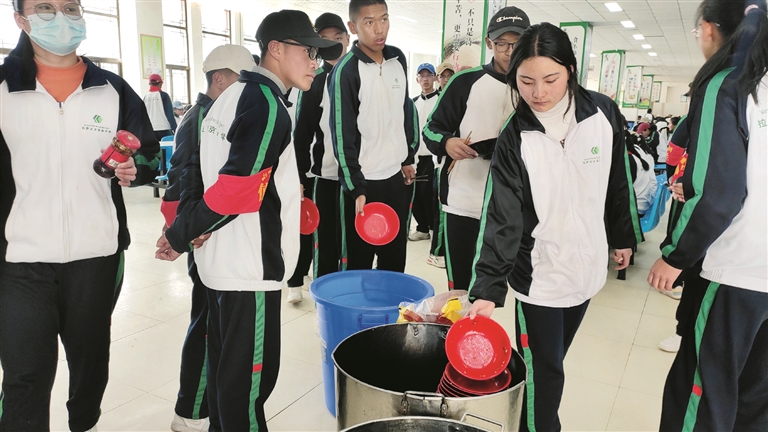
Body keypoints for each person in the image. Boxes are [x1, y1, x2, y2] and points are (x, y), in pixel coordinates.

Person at [155, 10, 341, 431]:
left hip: (221, 266)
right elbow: (236, 191)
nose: (315, 63)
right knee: (248, 390)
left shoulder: (229, 98)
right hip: (250, 271)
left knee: (227, 381)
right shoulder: (268, 106)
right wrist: (182, 233)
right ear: (276, 49)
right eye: (309, 52)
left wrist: (186, 229)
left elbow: (199, 175)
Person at [467, 23, 640, 432]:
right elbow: (502, 215)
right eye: (526, 81)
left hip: (587, 269)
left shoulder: (602, 114)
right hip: (539, 276)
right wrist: (488, 287)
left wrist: (623, 236)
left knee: (553, 362)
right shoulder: (515, 136)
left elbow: (619, 181)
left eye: (550, 79)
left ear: (571, 71)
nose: (538, 93)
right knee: (543, 375)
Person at [0, 1, 161, 430]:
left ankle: (83, 422)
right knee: (24, 374)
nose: (61, 17)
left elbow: (149, 155)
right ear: (21, 19)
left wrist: (137, 169)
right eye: (45, 7)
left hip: (96, 255)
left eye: (70, 7)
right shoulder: (3, 88)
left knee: (90, 365)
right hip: (20, 260)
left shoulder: (112, 89)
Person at [648, 0, 767, 428]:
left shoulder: (729, 82)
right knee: (755, 402)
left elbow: (719, 194)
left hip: (737, 269)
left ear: (711, 29)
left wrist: (675, 255)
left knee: (702, 396)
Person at [158, 44, 255, 432]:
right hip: (200, 234)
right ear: (219, 79)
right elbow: (180, 179)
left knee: (214, 325)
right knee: (206, 323)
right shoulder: (201, 117)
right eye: (241, 81)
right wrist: (183, 230)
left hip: (211, 232)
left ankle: (203, 406)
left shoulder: (223, 113)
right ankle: (191, 411)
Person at [423, 6, 530, 291]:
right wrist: (447, 143)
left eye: (517, 43)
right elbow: (431, 129)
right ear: (489, 43)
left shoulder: (534, 87)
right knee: (461, 286)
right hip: (465, 200)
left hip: (513, 206)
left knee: (506, 289)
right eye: (502, 44)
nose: (509, 51)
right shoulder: (465, 82)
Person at [329, 0, 418, 272]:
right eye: (369, 22)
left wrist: (407, 158)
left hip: (396, 180)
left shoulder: (397, 59)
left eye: (384, 19)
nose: (379, 29)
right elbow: (342, 136)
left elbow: (404, 111)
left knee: (394, 262)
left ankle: (389, 304)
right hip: (363, 185)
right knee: (358, 266)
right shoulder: (346, 71)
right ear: (353, 27)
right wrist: (356, 188)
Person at [289, 12, 351, 303]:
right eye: (325, 39)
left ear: (348, 38)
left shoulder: (360, 73)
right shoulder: (315, 81)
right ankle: (325, 300)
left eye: (338, 38)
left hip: (360, 178)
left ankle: (349, 296)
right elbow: (302, 132)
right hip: (325, 176)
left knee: (352, 242)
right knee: (324, 241)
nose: (333, 44)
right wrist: (300, 175)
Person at [409, 63, 438, 243]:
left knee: (430, 194)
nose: (425, 79)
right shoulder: (412, 103)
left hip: (432, 157)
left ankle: (433, 228)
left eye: (429, 75)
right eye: (422, 76)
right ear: (417, 79)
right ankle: (422, 228)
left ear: (434, 78)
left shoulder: (441, 100)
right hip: (415, 156)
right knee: (415, 193)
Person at [143, 72, 177, 140]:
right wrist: (175, 129)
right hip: (164, 128)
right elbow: (169, 114)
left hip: (150, 129)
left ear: (149, 84)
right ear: (161, 83)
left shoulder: (145, 97)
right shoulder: (164, 96)